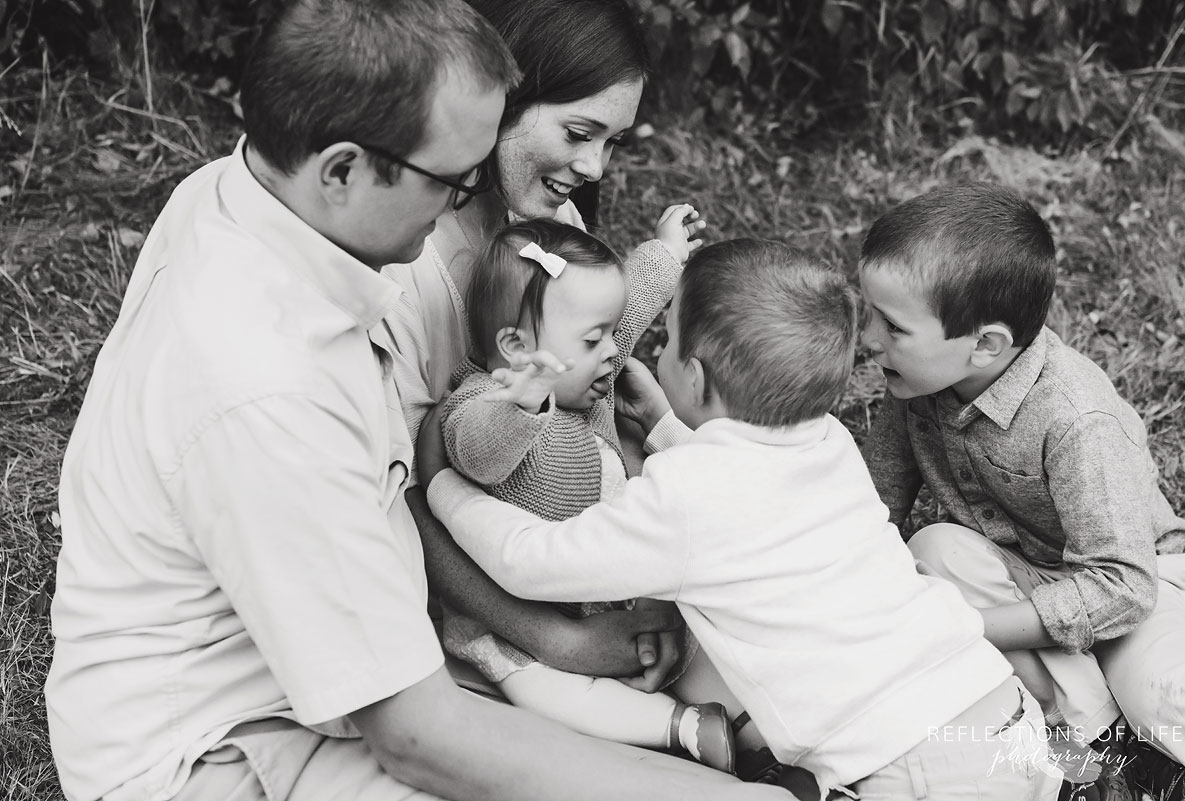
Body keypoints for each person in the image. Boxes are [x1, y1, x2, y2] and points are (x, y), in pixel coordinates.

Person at [43, 2, 787, 800]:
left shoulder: (264, 201)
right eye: (452, 181)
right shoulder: (266, 389)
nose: (463, 201)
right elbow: (420, 735)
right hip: (227, 738)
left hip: (351, 667)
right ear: (341, 171)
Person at [419, 239, 1063, 801]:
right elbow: (747, 494)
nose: (651, 349)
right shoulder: (828, 441)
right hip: (995, 704)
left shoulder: (683, 502)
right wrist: (670, 427)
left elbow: (531, 561)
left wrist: (445, 488)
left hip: (912, 763)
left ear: (695, 379)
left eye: (665, 339)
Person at [376, 0, 698, 697]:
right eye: (581, 132)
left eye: (612, 142)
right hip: (484, 596)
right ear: (504, 95)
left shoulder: (550, 222)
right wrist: (559, 639)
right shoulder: (405, 264)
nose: (594, 166)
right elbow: (401, 498)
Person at [858, 183, 1185, 801]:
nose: (868, 339)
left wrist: (968, 630)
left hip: (1127, 586)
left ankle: (1122, 713)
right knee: (935, 547)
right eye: (869, 315)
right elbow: (872, 508)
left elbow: (1125, 586)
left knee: (1162, 697)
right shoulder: (915, 384)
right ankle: (1092, 737)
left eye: (893, 327)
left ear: (984, 344)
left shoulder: (1076, 420)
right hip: (1021, 570)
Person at [438, 216, 731, 769]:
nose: (614, 353)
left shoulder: (584, 378)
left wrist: (665, 255)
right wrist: (522, 402)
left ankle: (727, 707)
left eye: (610, 334)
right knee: (541, 692)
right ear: (516, 348)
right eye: (595, 341)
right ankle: (680, 729)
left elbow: (629, 301)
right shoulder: (481, 402)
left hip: (608, 587)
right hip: (528, 625)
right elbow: (476, 453)